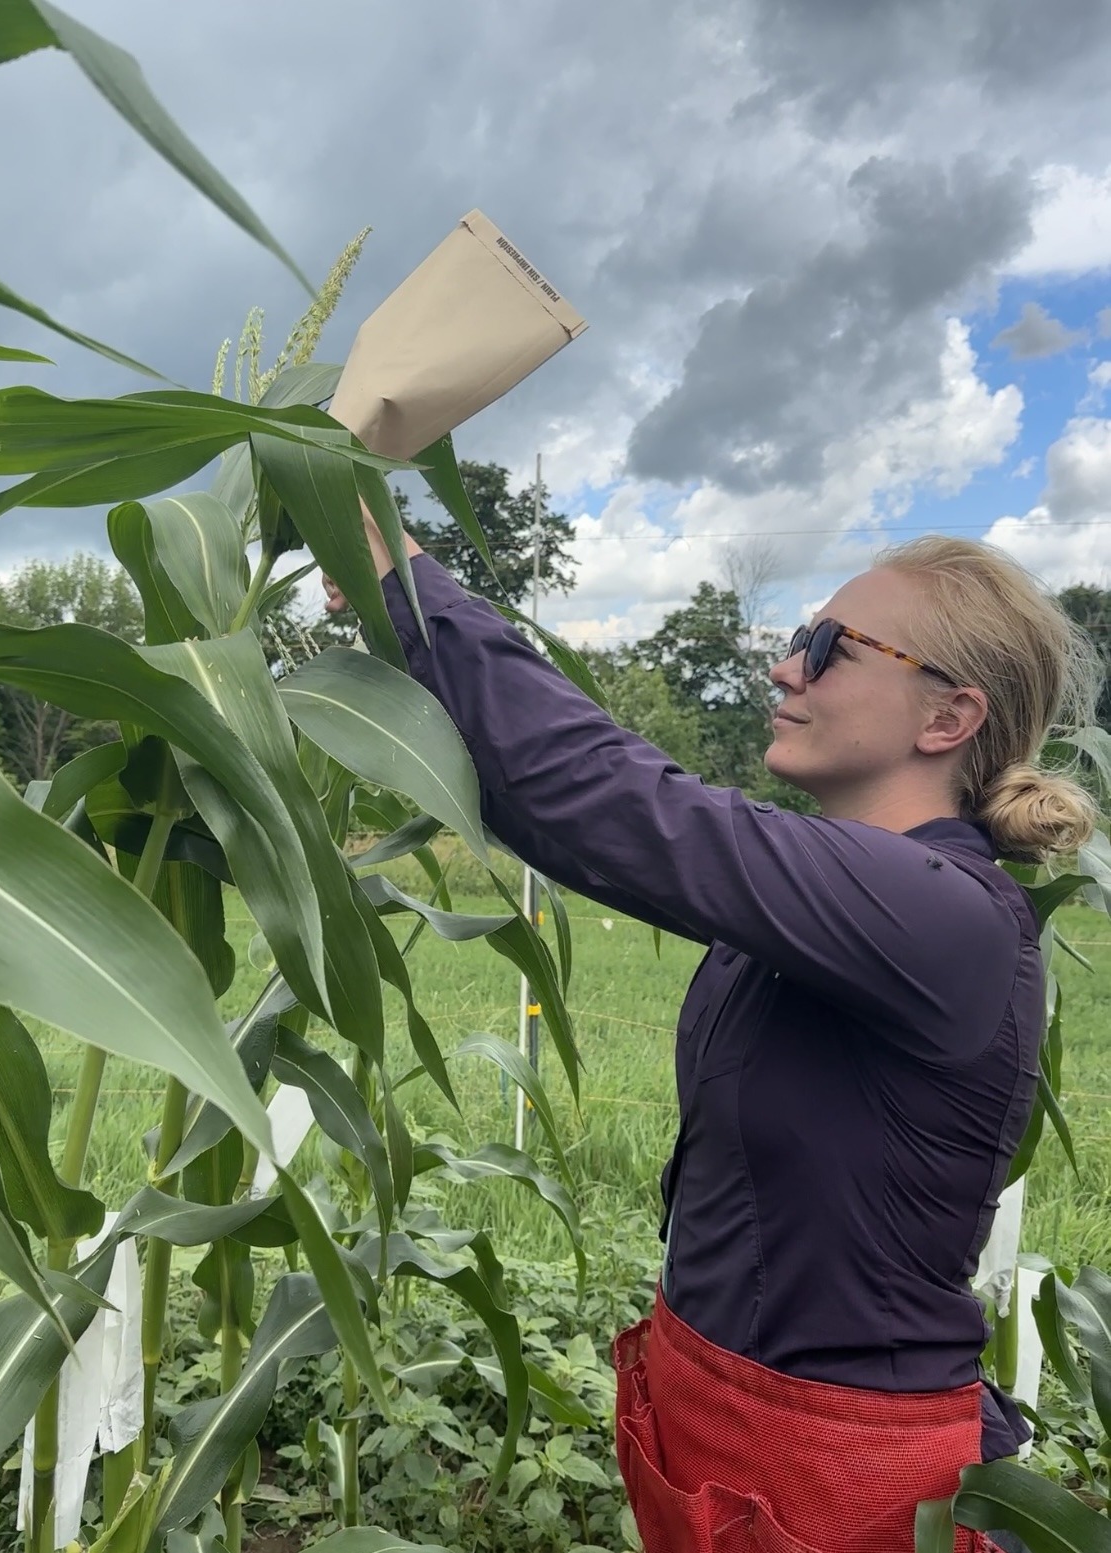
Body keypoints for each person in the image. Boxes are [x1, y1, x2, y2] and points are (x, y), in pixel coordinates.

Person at [325, 522, 1099, 1553]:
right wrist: (396, 632)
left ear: (950, 714)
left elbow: (612, 800)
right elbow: (554, 813)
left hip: (840, 1469)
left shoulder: (944, 916)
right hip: (719, 1414)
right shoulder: (803, 921)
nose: (786, 664)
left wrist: (408, 581)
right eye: (798, 635)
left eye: (830, 648)